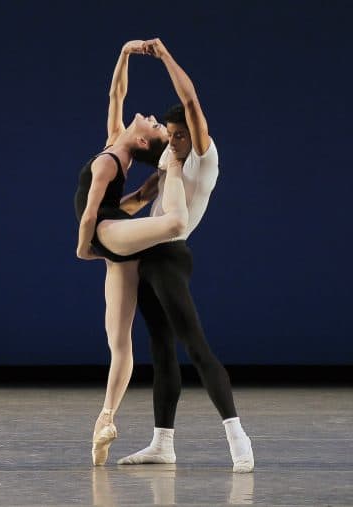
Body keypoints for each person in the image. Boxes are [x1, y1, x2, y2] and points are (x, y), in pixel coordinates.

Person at [117, 38, 254, 473]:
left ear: (194, 134)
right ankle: (163, 443)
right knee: (160, 350)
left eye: (181, 135)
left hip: (171, 257)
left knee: (195, 346)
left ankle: (237, 438)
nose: (174, 141)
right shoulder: (167, 164)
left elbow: (189, 99)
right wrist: (96, 216)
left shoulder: (203, 158)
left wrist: (163, 56)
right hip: (148, 260)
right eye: (170, 136)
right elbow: (138, 200)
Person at [74, 40, 188, 466]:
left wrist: (85, 248)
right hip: (118, 235)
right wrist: (122, 53)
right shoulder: (115, 143)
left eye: (157, 126)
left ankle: (174, 174)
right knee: (118, 344)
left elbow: (89, 216)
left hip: (107, 232)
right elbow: (116, 94)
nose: (156, 120)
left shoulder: (108, 160)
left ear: (141, 140)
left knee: (174, 223)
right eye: (161, 125)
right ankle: (104, 420)